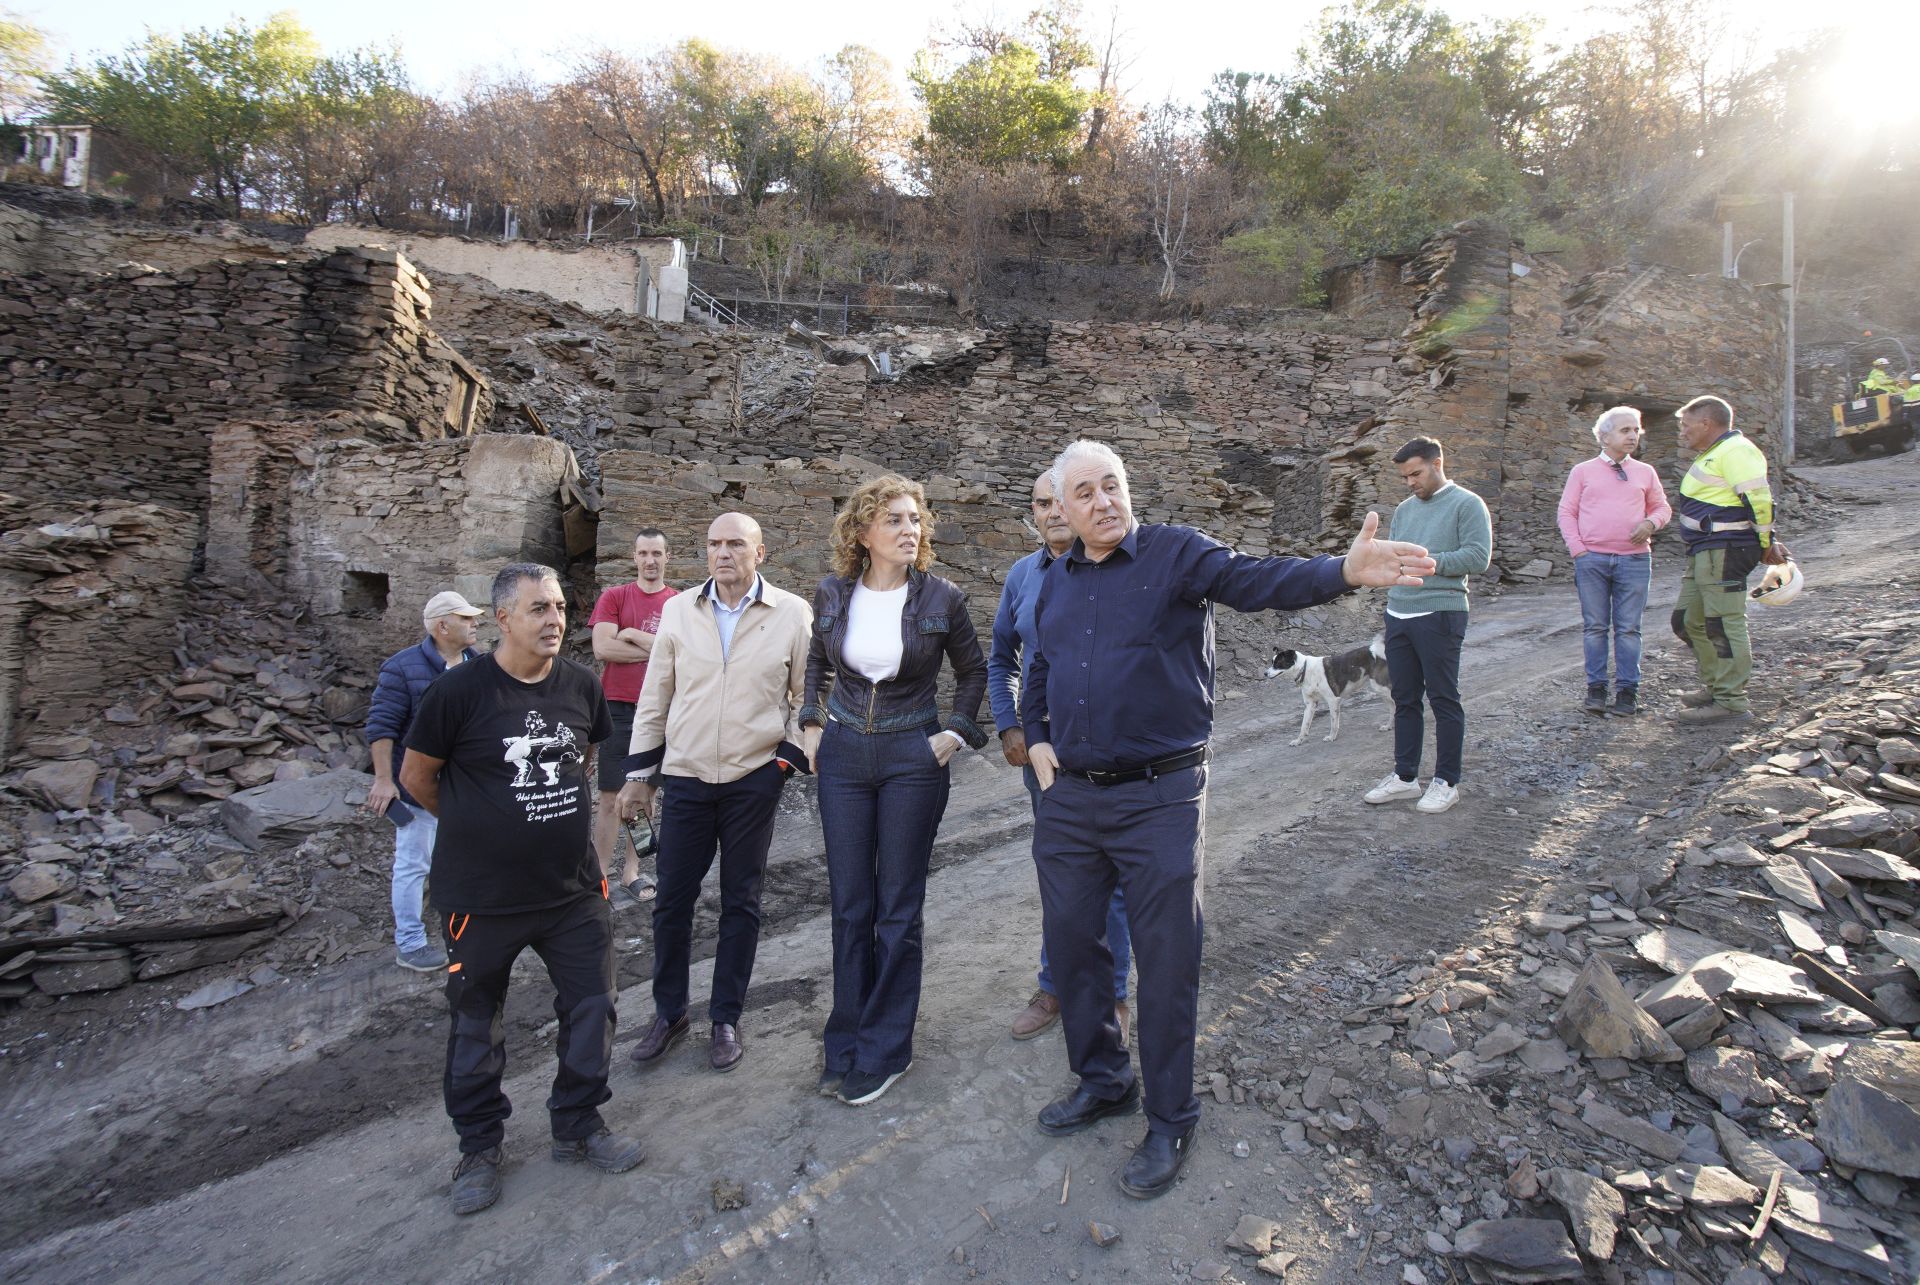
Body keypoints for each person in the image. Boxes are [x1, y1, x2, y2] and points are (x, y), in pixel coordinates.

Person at [1021, 439, 1433, 1200]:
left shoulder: (1177, 555)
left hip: (1161, 794)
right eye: (1085, 493)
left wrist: (1342, 571)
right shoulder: (1057, 580)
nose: (1104, 500)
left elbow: (1259, 580)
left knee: (1167, 956)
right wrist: (1038, 738)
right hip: (1072, 798)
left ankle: (1171, 1114)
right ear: (1062, 511)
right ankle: (1104, 1077)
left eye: (1112, 484)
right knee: (1075, 947)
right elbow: (1037, 665)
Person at [400, 563, 642, 1216]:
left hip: (570, 891)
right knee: (477, 1022)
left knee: (595, 1004)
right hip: (479, 900)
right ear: (502, 617)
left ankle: (579, 1122)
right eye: (538, 607)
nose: (555, 619)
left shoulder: (581, 687)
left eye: (560, 606)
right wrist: (482, 826)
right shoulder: (460, 693)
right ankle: (479, 1147)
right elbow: (417, 776)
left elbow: (587, 762)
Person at [797, 475, 988, 1107]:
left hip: (914, 753)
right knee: (851, 904)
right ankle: (845, 1040)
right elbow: (818, 661)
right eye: (895, 521)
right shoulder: (833, 592)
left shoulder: (943, 597)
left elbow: (974, 670)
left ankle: (886, 1050)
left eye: (916, 520)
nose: (911, 530)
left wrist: (955, 734)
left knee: (896, 908)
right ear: (862, 533)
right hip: (846, 753)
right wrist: (812, 721)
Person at [616, 513, 812, 1076]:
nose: (723, 553)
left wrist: (785, 760)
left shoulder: (791, 614)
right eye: (713, 544)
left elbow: (807, 695)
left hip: (755, 776)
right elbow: (656, 698)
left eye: (735, 544)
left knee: (740, 900)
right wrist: (639, 776)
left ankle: (726, 1015)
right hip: (686, 777)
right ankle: (669, 1011)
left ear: (760, 553)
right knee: (672, 900)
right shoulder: (680, 610)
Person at [990, 469, 1132, 1044]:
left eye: (1059, 502)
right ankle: (1054, 985)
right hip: (1046, 756)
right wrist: (1008, 726)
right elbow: (1001, 658)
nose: (1051, 512)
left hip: (1112, 748)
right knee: (1062, 874)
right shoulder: (1023, 576)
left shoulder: (1115, 567)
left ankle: (1114, 994)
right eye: (1041, 503)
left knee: (1115, 877)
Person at [1362, 438, 1493, 815]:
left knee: (1443, 698)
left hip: (1441, 612)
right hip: (1399, 612)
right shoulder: (1404, 510)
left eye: (1416, 474)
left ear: (1438, 463)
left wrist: (1428, 562)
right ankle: (1405, 778)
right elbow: (1396, 555)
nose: (1410, 483)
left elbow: (1478, 556)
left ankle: (1446, 782)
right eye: (1405, 477)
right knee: (1404, 698)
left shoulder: (1468, 504)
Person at [363, 590, 485, 972]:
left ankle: (471, 930)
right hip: (418, 786)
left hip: (464, 786)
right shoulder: (403, 668)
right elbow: (382, 727)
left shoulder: (476, 665)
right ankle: (411, 943)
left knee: (468, 858)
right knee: (414, 863)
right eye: (466, 618)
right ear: (441, 626)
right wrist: (384, 780)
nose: (474, 623)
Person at [1670, 395, 1787, 725]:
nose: (1682, 432)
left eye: (1686, 425)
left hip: (1725, 549)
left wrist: (1767, 542)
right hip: (1704, 551)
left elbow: (1758, 500)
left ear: (1706, 423)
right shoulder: (1715, 454)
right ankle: (1718, 687)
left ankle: (1731, 702)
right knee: (1687, 621)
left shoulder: (1736, 450)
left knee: (1722, 623)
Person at [1556, 407, 1672, 718]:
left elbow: (1662, 508)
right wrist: (1578, 550)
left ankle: (1627, 692)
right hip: (1591, 560)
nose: (1633, 435)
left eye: (1636, 429)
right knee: (1595, 627)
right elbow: (1566, 512)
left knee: (1629, 629)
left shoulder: (1646, 472)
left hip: (1634, 560)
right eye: (1625, 430)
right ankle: (1596, 690)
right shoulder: (1582, 471)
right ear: (1604, 436)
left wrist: (1650, 524)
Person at [589, 527, 676, 906]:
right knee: (610, 798)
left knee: (641, 799)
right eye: (643, 553)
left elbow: (680, 655)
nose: (650, 560)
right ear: (634, 556)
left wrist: (631, 634)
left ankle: (632, 873)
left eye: (656, 553)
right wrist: (656, 649)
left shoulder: (678, 603)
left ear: (666, 557)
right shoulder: (616, 596)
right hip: (618, 709)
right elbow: (602, 648)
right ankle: (598, 877)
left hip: (658, 712)